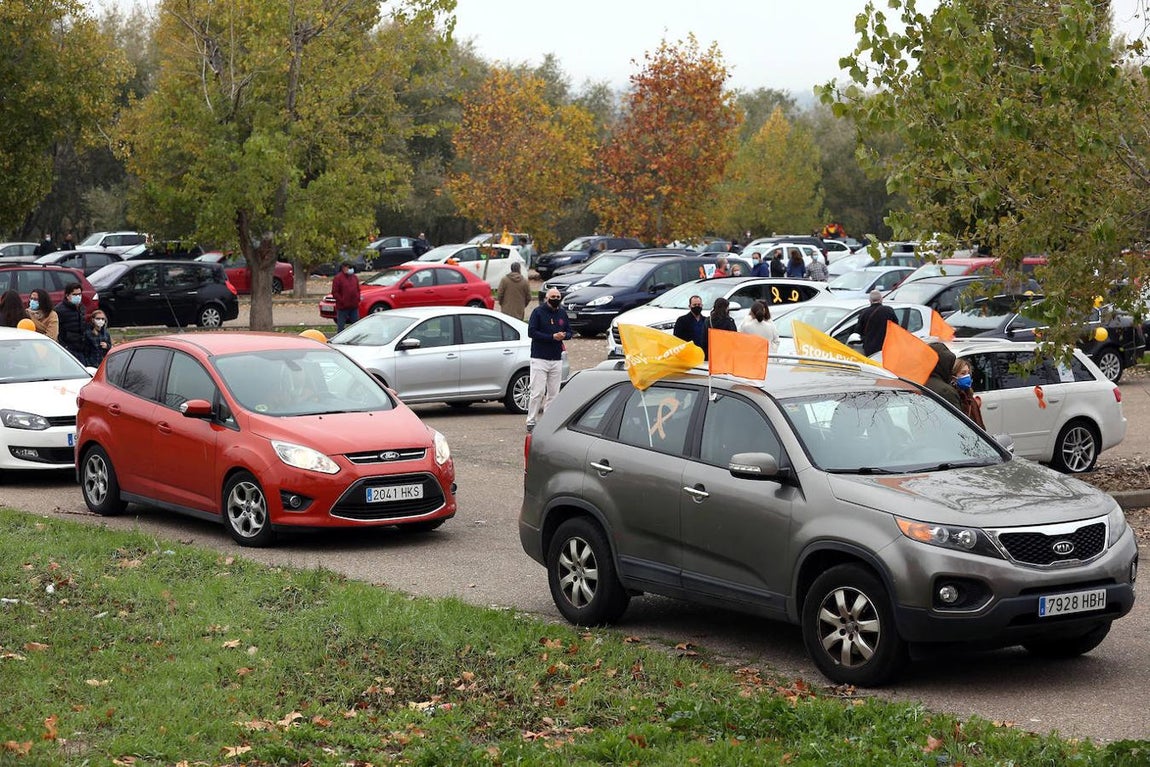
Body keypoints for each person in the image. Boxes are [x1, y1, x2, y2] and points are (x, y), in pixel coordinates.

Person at [525, 288, 571, 432]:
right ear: (546, 298)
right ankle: (531, 420)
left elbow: (570, 331)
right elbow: (532, 332)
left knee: (554, 393)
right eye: (553, 296)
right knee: (537, 392)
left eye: (558, 296)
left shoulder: (562, 313)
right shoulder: (538, 312)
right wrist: (551, 337)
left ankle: (547, 421)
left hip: (556, 358)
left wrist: (564, 335)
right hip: (539, 358)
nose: (555, 298)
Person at [855, 289, 898, 356]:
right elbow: (896, 326)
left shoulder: (864, 313)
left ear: (870, 300)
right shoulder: (889, 310)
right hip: (887, 345)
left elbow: (858, 330)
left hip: (870, 347)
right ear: (881, 299)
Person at [925, 342, 962, 409]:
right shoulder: (946, 391)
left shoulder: (915, 383)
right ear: (945, 364)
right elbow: (953, 415)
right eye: (950, 364)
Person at [55, 282, 87, 361]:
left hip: (81, 347)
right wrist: (64, 346)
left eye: (79, 294)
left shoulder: (81, 308)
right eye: (74, 294)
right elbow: (58, 330)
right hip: (68, 349)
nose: (78, 297)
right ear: (67, 295)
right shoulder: (59, 310)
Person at [952, 358, 985, 428]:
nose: (967, 377)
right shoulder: (954, 396)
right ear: (954, 377)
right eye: (963, 373)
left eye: (968, 373)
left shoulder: (970, 396)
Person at [331, 261, 361, 333]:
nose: (350, 269)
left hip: (354, 306)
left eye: (351, 268)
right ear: (343, 268)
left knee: (356, 326)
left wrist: (357, 299)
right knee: (341, 326)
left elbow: (357, 289)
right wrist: (342, 301)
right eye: (348, 267)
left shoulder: (354, 277)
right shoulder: (338, 278)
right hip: (342, 307)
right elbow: (335, 292)